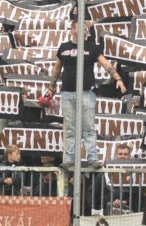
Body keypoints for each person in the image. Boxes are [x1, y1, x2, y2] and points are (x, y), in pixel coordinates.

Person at [46, 18, 127, 170]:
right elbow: (57, 68)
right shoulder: (63, 47)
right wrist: (51, 86)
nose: (85, 31)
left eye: (86, 29)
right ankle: (69, 159)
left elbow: (106, 64)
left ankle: (92, 158)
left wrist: (118, 79)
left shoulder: (92, 47)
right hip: (67, 93)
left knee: (88, 127)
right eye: (82, 28)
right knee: (70, 128)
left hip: (86, 93)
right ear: (73, 30)